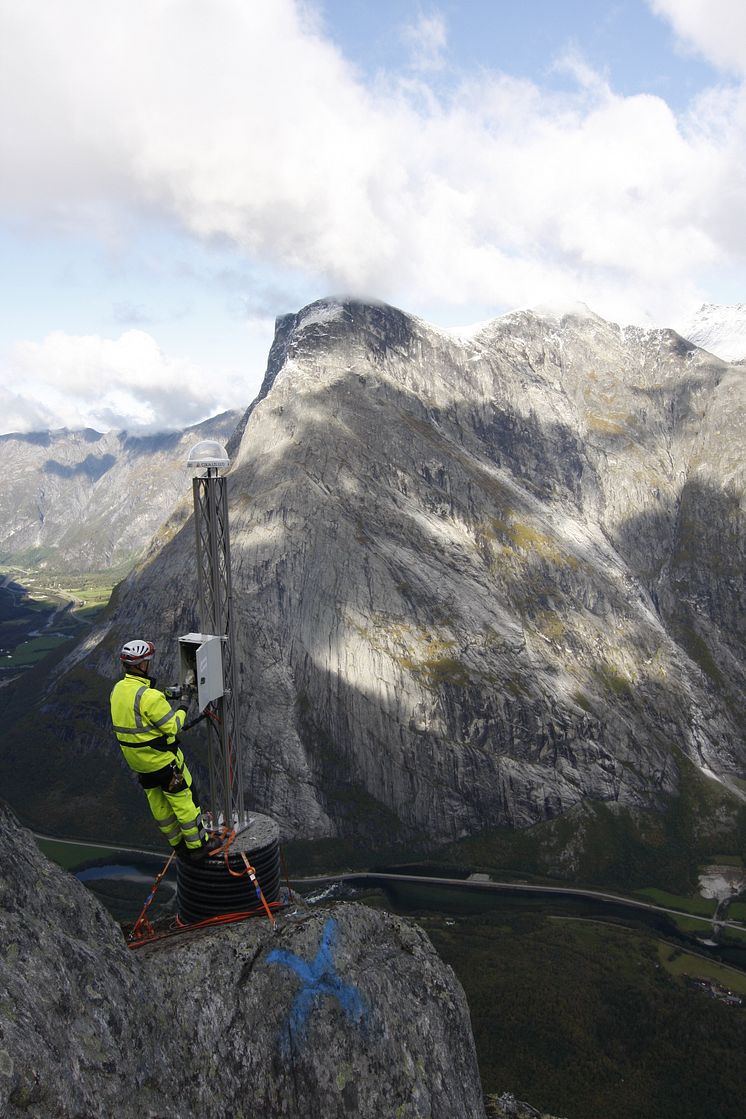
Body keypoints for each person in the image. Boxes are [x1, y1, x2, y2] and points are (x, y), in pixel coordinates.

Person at [110, 638, 220, 861]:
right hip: (161, 761)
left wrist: (166, 696)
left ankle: (178, 846)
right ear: (143, 665)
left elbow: (138, 711)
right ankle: (198, 846)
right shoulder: (149, 697)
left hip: (139, 764)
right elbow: (173, 726)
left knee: (159, 804)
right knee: (183, 801)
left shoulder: (118, 690)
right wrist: (184, 704)